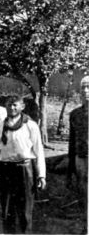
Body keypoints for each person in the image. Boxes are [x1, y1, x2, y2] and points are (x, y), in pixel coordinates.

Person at [0, 95, 46, 234]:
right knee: (7, 209)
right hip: (5, 169)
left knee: (25, 210)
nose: (12, 107)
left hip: (25, 170)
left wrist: (41, 175)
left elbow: (38, 151)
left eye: (15, 104)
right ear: (5, 106)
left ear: (22, 107)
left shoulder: (30, 125)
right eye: (9, 104)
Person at [67, 75, 88, 221]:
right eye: (83, 88)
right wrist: (70, 169)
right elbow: (72, 143)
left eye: (88, 87)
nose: (85, 91)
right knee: (83, 192)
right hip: (80, 158)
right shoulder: (75, 114)